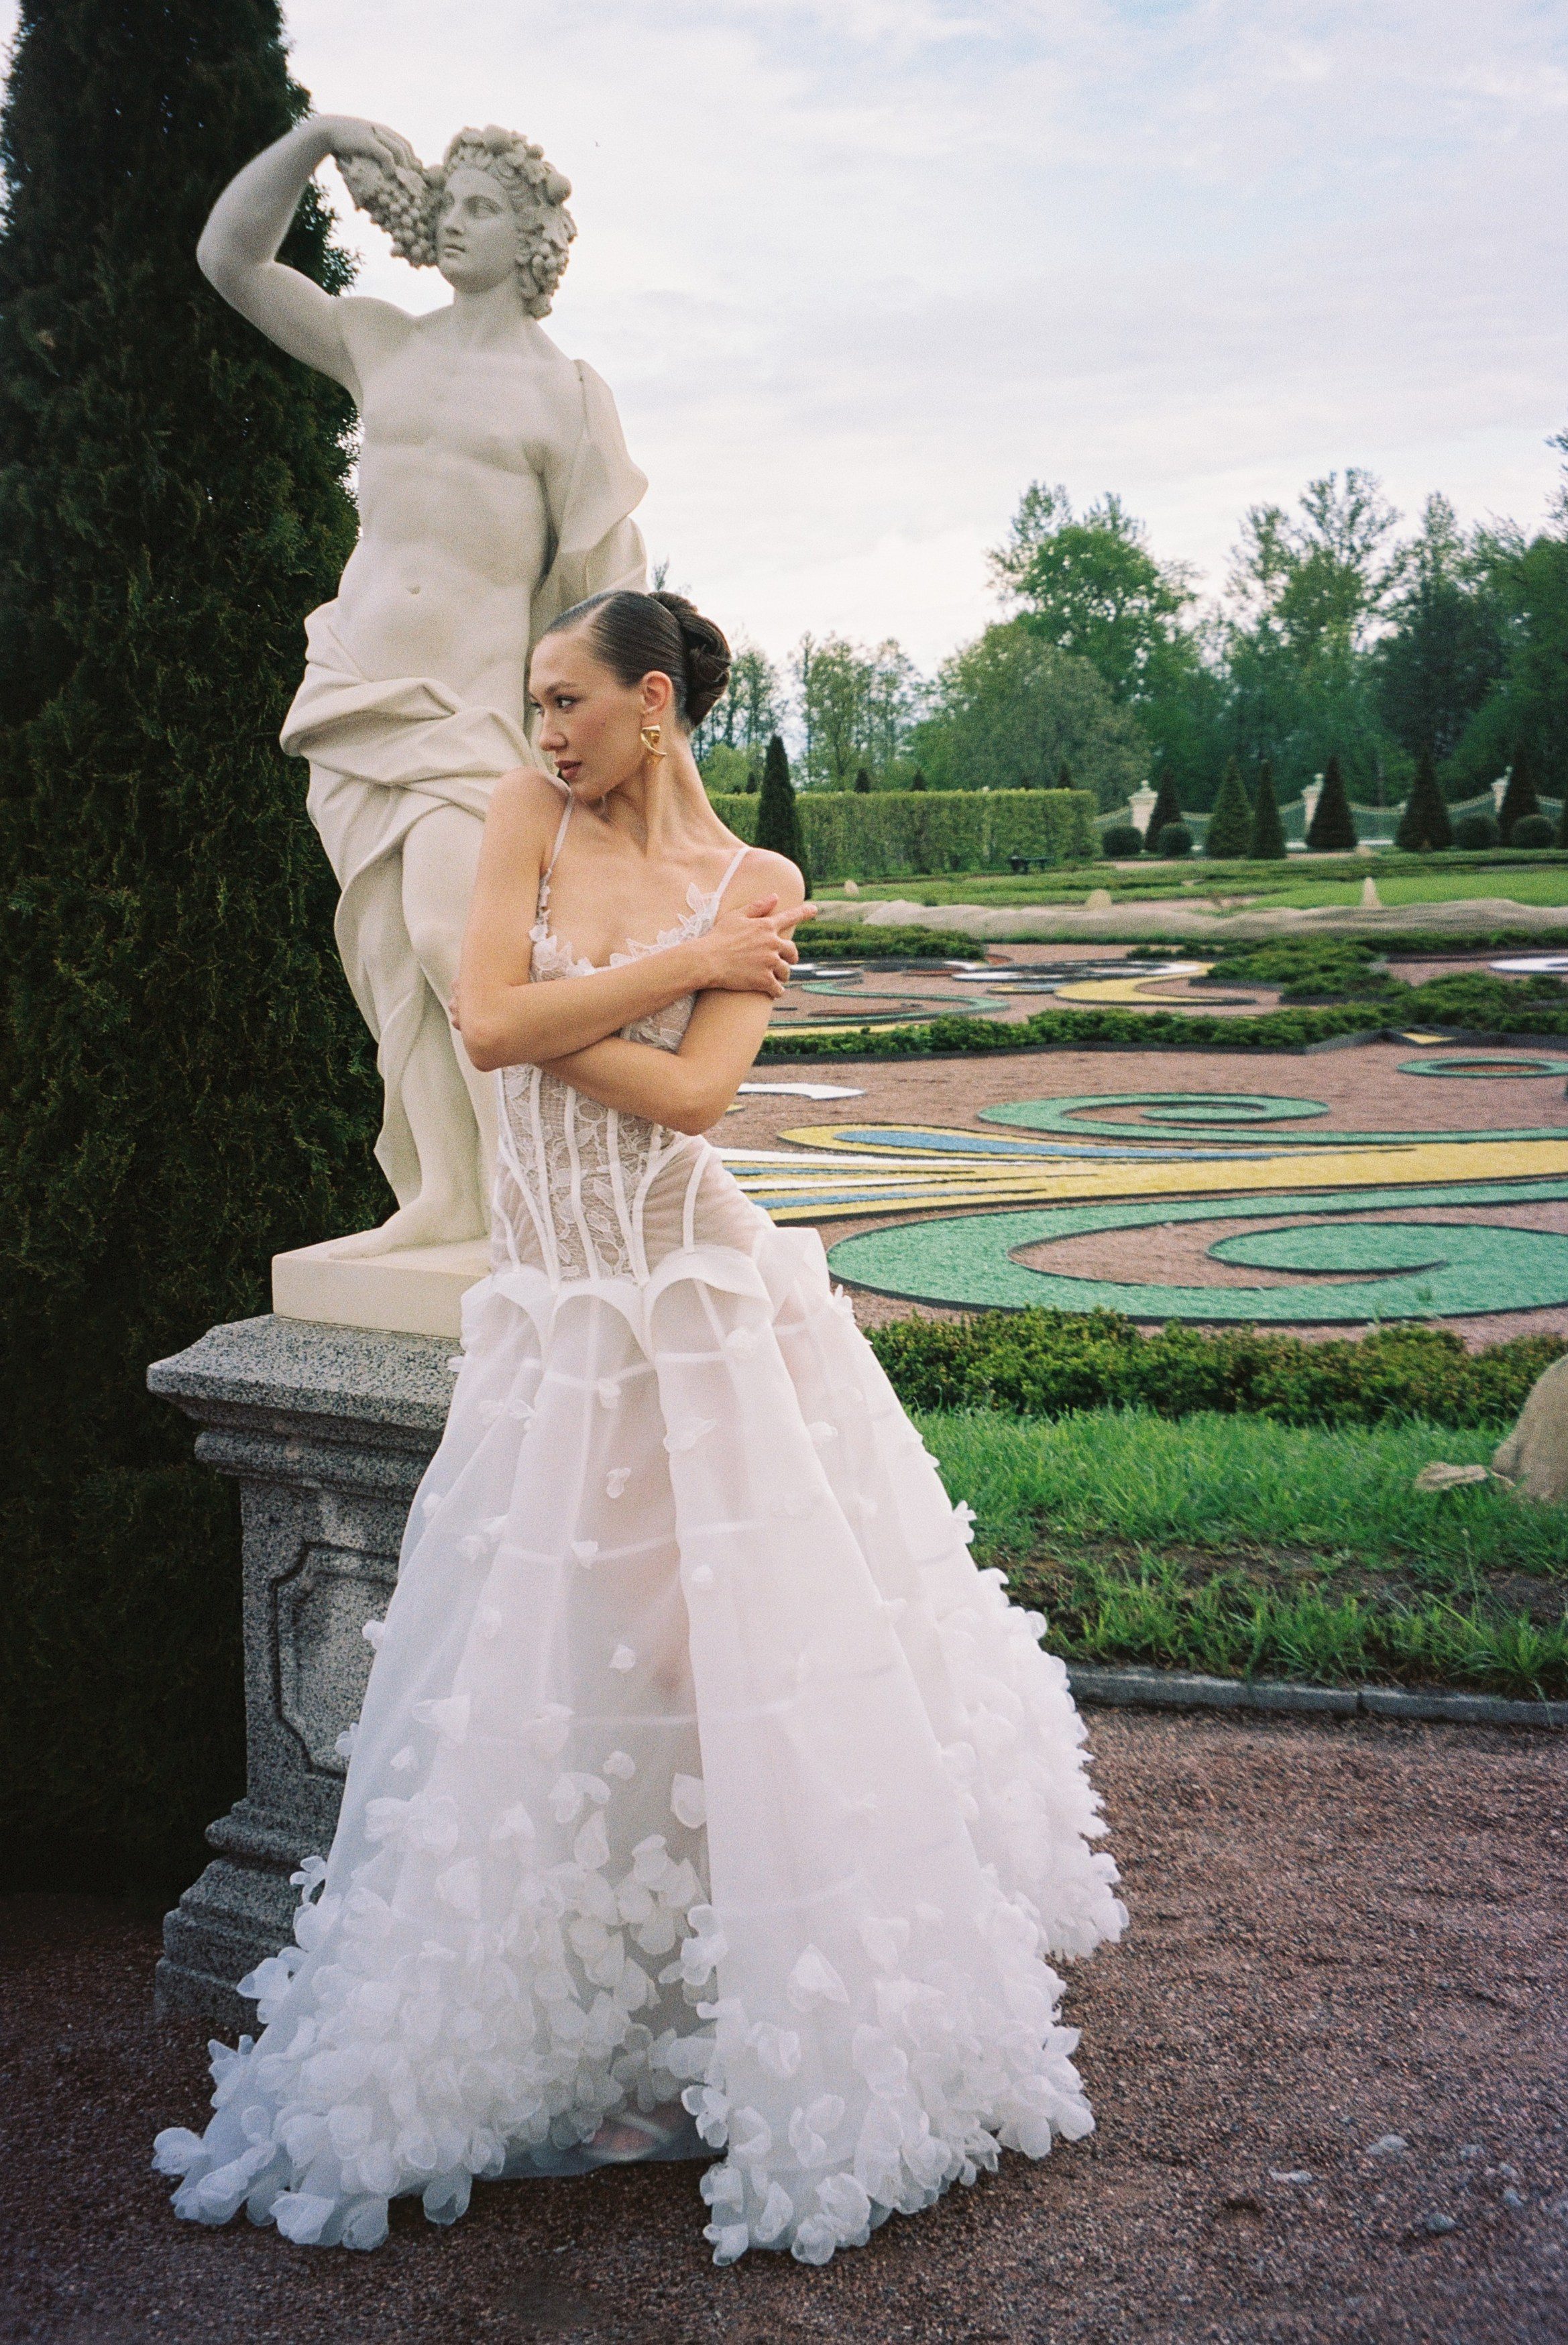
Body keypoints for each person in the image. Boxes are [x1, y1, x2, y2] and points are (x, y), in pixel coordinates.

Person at [154, 591, 1126, 2265]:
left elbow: (690, 1101)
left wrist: (580, 1002)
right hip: (554, 1318)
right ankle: (598, 2030)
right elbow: (480, 1025)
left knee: (717, 1669)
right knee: (557, 1669)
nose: (540, 731)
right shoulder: (533, 818)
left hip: (695, 1311)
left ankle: (739, 2028)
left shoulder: (764, 879)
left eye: (564, 699)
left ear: (651, 701)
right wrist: (669, 970)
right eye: (533, 703)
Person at [198, 116, 647, 1254]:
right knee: (389, 955)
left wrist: (600, 752)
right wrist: (313, 136)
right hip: (356, 685)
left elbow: (597, 597)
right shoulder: (382, 343)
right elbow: (231, 262)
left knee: (458, 939)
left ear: (536, 235)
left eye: (483, 205)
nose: (454, 219)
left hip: (471, 711)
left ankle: (540, 1204)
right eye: (445, 200)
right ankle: (445, 1197)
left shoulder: (566, 396)